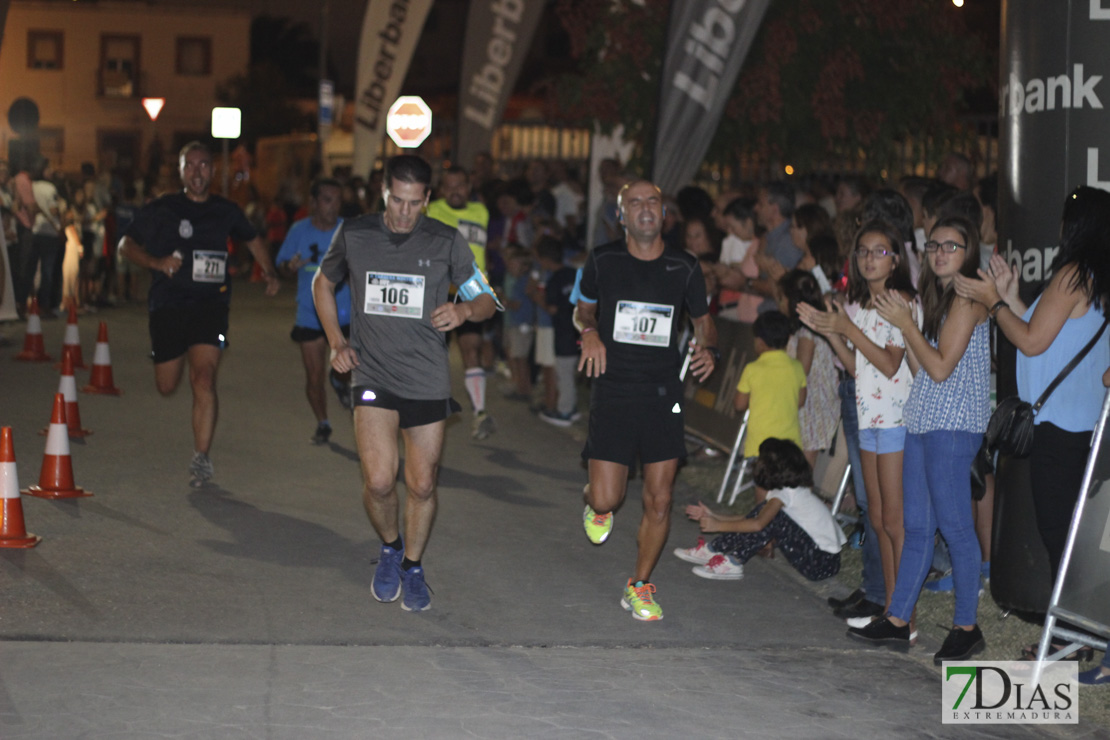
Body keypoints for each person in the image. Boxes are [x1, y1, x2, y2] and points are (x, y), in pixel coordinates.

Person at [312, 154, 498, 613]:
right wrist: (337, 342)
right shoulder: (356, 234)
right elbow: (322, 282)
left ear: (427, 200)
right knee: (378, 482)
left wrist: (464, 311)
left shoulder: (446, 241)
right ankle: (391, 547)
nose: (403, 213)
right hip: (372, 372)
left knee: (421, 484)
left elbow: (488, 299)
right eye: (396, 201)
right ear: (384, 193)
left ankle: (413, 566)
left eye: (414, 204)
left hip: (426, 378)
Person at [955, 185, 1110, 658]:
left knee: (1057, 533)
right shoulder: (1095, 277)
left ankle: (1075, 635)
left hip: (1062, 427)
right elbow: (1047, 334)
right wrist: (1010, 297)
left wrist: (993, 302)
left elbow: (1030, 343)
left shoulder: (1072, 274)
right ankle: (1076, 633)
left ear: (1074, 224)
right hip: (1083, 426)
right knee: (1067, 532)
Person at [849, 216, 990, 663]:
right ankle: (897, 618)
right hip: (924, 418)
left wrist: (906, 326)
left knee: (955, 528)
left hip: (953, 423)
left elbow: (942, 367)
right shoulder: (938, 298)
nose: (941, 252)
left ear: (969, 253)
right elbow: (918, 365)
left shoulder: (969, 299)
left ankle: (966, 626)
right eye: (934, 245)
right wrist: (907, 325)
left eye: (952, 245)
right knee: (916, 528)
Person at [577, 179, 718, 622]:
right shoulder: (603, 260)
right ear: (621, 215)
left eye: (652, 201)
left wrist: (707, 348)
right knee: (607, 499)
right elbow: (583, 308)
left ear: (663, 213)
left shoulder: (685, 266)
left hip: (664, 396)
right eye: (634, 202)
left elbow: (703, 321)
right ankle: (594, 502)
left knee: (660, 498)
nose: (644, 209)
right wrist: (590, 332)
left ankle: (639, 584)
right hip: (613, 389)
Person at [120, 141, 280, 488]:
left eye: (204, 165)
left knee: (204, 379)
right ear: (180, 171)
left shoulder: (226, 210)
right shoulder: (162, 208)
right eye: (189, 165)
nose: (197, 171)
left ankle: (201, 458)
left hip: (211, 305)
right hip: (168, 304)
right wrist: (156, 263)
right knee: (166, 385)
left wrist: (268, 271)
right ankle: (198, 448)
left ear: (213, 170)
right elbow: (125, 245)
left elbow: (252, 239)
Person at [798, 219, 916, 619]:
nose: (869, 259)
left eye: (879, 251)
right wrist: (831, 332)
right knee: (878, 518)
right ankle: (889, 606)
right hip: (871, 419)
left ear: (896, 259)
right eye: (863, 251)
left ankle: (904, 615)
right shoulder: (865, 304)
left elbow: (888, 363)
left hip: (897, 419)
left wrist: (846, 327)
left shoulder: (899, 302)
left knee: (894, 520)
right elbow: (855, 367)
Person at [676, 438, 845, 581]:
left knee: (772, 519)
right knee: (766, 514)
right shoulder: (789, 491)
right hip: (824, 560)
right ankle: (713, 550)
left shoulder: (785, 494)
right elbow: (752, 517)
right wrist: (714, 515)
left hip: (820, 563)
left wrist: (717, 526)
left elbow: (758, 524)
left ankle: (734, 562)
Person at [275, 177, 349, 445]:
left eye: (338, 200)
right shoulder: (299, 230)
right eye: (328, 200)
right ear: (314, 202)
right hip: (309, 312)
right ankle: (323, 422)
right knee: (314, 375)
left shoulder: (347, 230)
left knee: (346, 367)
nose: (334, 206)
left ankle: (340, 381)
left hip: (344, 313)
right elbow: (282, 265)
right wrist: (289, 267)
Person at [427, 166, 497, 439]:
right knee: (434, 353)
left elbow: (482, 251)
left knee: (471, 348)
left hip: (472, 291)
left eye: (460, 185)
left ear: (470, 187)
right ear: (442, 190)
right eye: (449, 186)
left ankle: (480, 413)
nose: (455, 191)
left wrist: (488, 287)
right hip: (439, 291)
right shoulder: (430, 211)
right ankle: (430, 405)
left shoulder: (481, 212)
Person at [734, 310, 808, 499]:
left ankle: (762, 524)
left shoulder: (753, 369)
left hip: (761, 444)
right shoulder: (797, 367)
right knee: (785, 493)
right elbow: (801, 401)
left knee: (763, 489)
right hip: (790, 443)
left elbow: (739, 404)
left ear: (760, 341)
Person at [779, 270, 840, 465]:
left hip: (813, 404)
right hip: (811, 401)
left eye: (782, 298)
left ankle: (801, 490)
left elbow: (801, 369)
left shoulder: (807, 333)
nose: (779, 303)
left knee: (804, 457)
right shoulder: (808, 329)